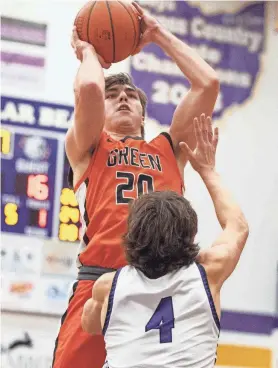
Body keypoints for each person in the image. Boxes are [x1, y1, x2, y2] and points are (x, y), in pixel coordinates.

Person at [52, 2, 219, 367]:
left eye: (130, 96)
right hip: (99, 281)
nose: (122, 97)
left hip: (159, 288)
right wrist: (89, 51)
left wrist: (157, 33)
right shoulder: (89, 147)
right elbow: (92, 89)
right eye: (115, 96)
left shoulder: (170, 150)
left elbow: (208, 82)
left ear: (144, 114)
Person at [81, 114, 249, 368]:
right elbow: (238, 226)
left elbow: (89, 324)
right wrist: (207, 171)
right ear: (189, 233)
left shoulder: (107, 287)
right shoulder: (210, 271)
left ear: (132, 236)